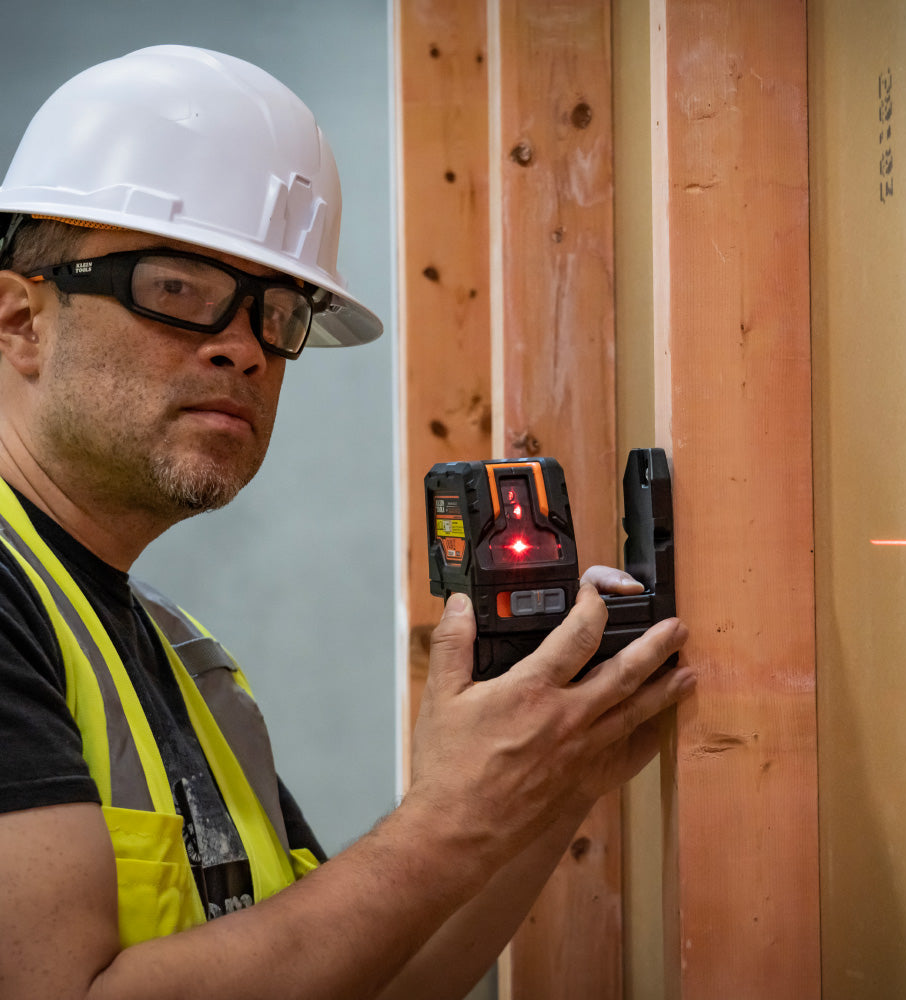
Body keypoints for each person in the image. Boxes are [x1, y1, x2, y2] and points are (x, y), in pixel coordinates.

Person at [0, 45, 695, 1000]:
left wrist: (549, 779)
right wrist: (454, 814)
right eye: (176, 289)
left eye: (276, 312)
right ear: (19, 319)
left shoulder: (179, 660)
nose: (242, 348)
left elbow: (365, 982)